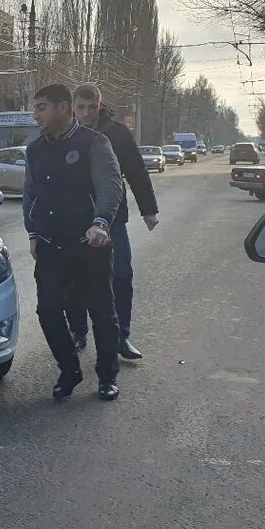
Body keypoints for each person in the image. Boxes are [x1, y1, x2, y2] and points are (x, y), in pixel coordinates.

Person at [23, 82, 124, 402]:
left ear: (63, 108)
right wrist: (33, 233)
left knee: (102, 312)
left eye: (41, 107)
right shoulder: (35, 149)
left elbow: (110, 186)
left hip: (89, 243)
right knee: (47, 310)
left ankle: (107, 376)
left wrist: (100, 223)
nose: (34, 114)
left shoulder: (94, 143)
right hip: (52, 245)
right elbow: (30, 195)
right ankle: (69, 370)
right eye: (35, 107)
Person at [66, 84, 159, 361]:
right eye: (80, 107)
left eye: (91, 107)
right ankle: (78, 331)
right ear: (73, 106)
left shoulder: (118, 133)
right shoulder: (65, 134)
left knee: (121, 275)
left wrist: (149, 210)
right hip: (74, 219)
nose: (86, 113)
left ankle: (121, 337)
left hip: (113, 218)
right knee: (75, 279)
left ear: (100, 104)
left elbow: (137, 172)